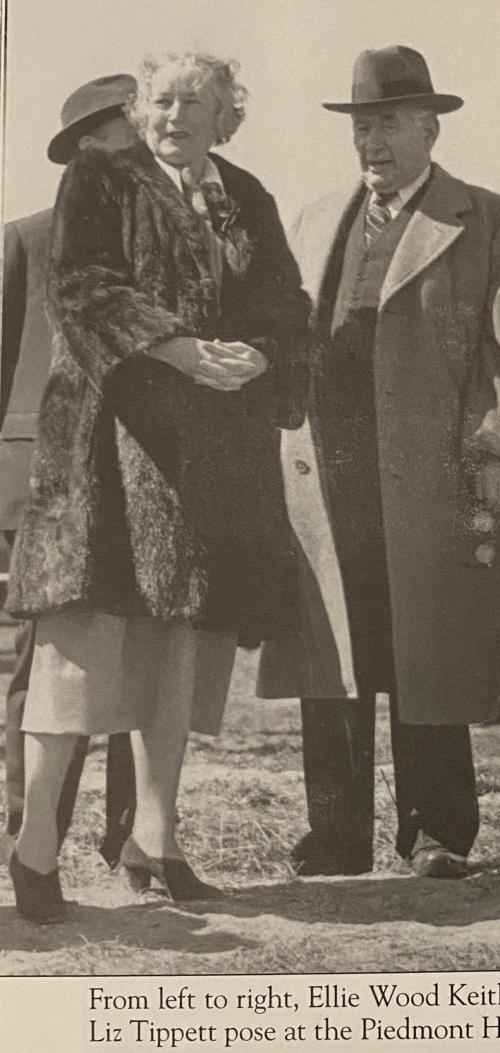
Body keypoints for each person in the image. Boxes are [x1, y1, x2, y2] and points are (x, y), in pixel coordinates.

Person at [5, 51, 310, 923]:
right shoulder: (101, 179)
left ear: (227, 115)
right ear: (141, 113)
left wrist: (264, 355)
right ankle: (34, 851)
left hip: (204, 460)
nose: (175, 115)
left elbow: (286, 303)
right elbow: (83, 288)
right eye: (162, 101)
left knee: (173, 660)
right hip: (109, 452)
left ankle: (155, 839)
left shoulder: (246, 194)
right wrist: (177, 347)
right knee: (76, 660)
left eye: (196, 102)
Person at [257, 46, 500, 880]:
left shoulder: (490, 219)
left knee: (430, 653)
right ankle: (336, 835)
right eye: (362, 125)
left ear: (430, 127)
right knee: (335, 656)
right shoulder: (312, 221)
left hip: (433, 480)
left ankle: (439, 833)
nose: (373, 142)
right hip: (331, 479)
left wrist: (497, 448)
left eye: (389, 124)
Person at [3, 74, 142, 870]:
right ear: (91, 146)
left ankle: (129, 838)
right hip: (46, 485)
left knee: (140, 653)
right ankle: (33, 830)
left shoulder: (159, 244)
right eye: (131, 138)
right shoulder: (25, 237)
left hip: (140, 478)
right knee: (47, 659)